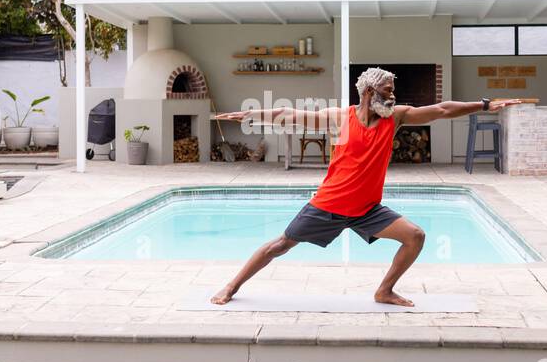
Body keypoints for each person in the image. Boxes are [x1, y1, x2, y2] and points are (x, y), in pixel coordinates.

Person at [210, 67, 527, 306]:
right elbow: (287, 114)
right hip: (328, 205)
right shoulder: (341, 118)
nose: (392, 97)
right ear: (367, 93)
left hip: (367, 210)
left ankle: (384, 290)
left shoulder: (396, 117)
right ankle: (231, 286)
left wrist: (484, 105)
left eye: (392, 92)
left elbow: (442, 110)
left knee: (415, 236)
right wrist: (251, 114)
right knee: (279, 246)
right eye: (387, 92)